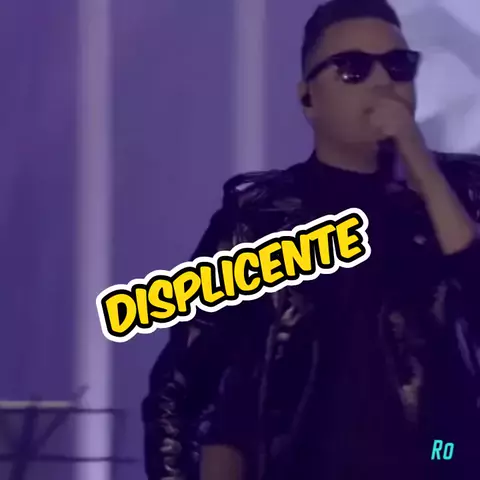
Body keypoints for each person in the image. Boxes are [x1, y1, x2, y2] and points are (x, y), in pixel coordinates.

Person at [142, 0, 480, 478]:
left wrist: (419, 162)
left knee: (449, 452)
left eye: (398, 65)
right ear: (308, 99)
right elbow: (180, 386)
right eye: (353, 68)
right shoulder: (263, 219)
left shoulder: (462, 191)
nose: (382, 82)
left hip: (440, 460)